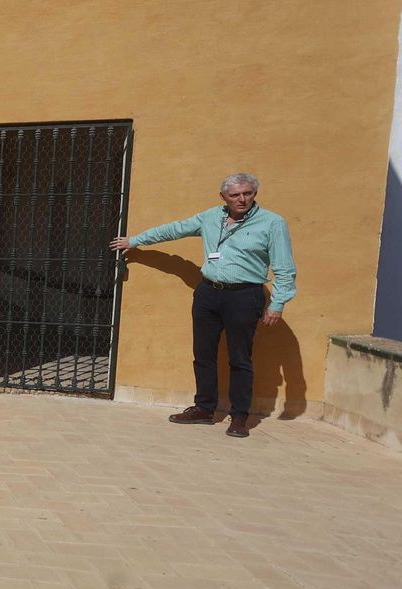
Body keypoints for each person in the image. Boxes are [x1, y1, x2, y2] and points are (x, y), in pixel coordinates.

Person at [111, 172, 297, 439]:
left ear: (255, 193)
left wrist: (277, 304)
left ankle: (239, 416)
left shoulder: (272, 223)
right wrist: (135, 240)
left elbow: (285, 268)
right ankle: (204, 408)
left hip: (244, 296)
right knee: (203, 353)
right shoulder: (211, 217)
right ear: (223, 197)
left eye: (247, 193)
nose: (242, 199)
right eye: (235, 195)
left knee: (240, 358)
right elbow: (174, 229)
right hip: (208, 293)